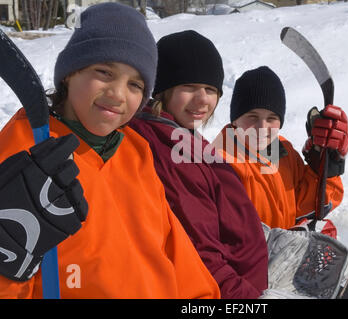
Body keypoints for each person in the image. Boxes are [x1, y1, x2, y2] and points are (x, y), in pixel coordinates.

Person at [0, 3, 220, 298]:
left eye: (134, 84)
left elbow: (179, 258)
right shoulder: (24, 152)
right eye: (104, 72)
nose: (117, 94)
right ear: (69, 73)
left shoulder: (135, 152)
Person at [129, 30, 268, 299]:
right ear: (162, 91)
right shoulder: (165, 151)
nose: (203, 99)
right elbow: (199, 254)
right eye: (189, 87)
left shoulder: (179, 137)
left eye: (211, 89)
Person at [212, 66, 348, 231]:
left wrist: (325, 166)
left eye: (272, 118)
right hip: (249, 254)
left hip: (281, 253)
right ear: (235, 120)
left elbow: (304, 207)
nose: (262, 127)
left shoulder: (282, 151)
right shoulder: (221, 162)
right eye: (252, 117)